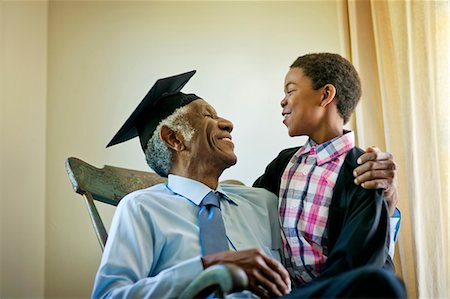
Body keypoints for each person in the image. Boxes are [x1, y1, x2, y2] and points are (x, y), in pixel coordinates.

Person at [92, 70, 404, 298]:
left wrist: (383, 197)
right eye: (207, 117)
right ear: (174, 138)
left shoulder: (264, 200)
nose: (228, 123)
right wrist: (209, 268)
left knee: (377, 285)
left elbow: (334, 244)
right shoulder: (141, 208)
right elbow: (109, 296)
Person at [252, 53, 403, 296]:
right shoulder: (283, 164)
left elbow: (356, 262)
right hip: (294, 291)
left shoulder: (363, 170)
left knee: (383, 285)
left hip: (339, 288)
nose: (282, 101)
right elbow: (249, 211)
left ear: (325, 95)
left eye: (290, 91)